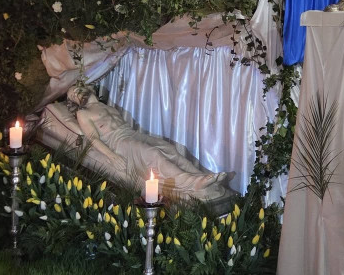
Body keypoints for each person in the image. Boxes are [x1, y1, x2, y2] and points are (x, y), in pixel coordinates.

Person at [68, 86, 235, 202]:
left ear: (87, 87)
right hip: (118, 142)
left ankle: (202, 177)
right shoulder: (83, 113)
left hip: (131, 134)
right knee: (153, 154)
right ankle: (194, 184)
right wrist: (112, 156)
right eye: (73, 97)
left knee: (169, 149)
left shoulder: (106, 106)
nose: (76, 95)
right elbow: (93, 138)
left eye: (75, 90)